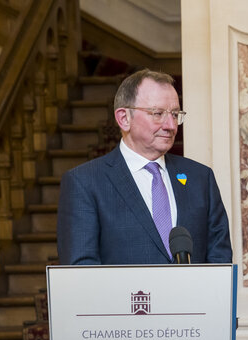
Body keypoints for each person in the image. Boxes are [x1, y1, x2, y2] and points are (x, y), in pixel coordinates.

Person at [57, 69, 232, 265]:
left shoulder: (200, 178)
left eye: (175, 114)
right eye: (157, 113)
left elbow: (220, 259)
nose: (171, 125)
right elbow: (82, 270)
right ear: (124, 118)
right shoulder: (85, 182)